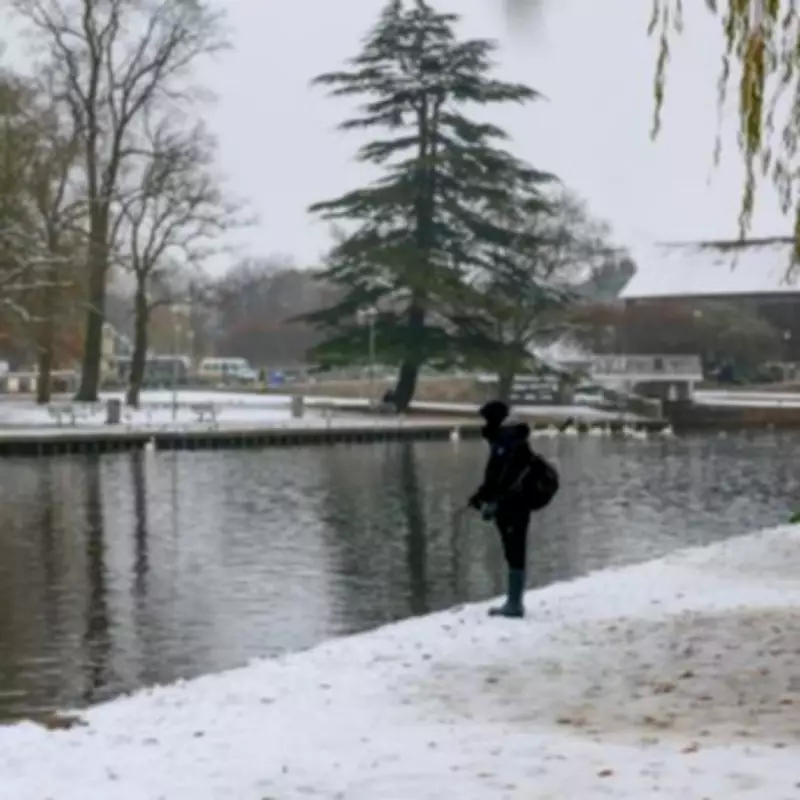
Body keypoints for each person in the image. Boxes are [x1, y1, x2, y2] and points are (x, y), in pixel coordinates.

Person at [468, 399, 562, 618]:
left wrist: (487, 499)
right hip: (512, 503)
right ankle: (513, 601)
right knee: (513, 550)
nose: (483, 424)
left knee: (515, 550)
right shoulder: (508, 440)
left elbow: (501, 478)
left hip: (514, 504)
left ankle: (514, 603)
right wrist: (481, 497)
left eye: (486, 419)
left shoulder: (507, 443)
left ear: (495, 420)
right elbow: (495, 478)